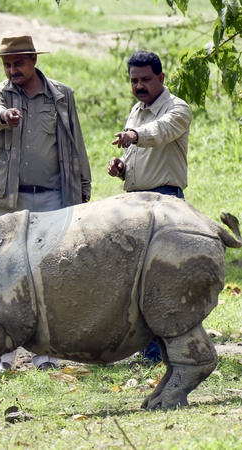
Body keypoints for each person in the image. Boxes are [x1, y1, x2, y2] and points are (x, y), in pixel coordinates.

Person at [0, 34, 92, 373]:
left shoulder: (61, 95)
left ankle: (46, 353)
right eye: (7, 65)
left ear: (33, 60)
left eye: (18, 63)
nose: (12, 70)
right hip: (10, 198)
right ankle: (5, 355)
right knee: (7, 274)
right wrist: (5, 116)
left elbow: (75, 142)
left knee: (49, 274)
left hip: (52, 195)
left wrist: (83, 186)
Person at [108, 50, 192, 363]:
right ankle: (148, 349)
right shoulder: (136, 110)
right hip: (136, 203)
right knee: (137, 279)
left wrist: (134, 134)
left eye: (145, 79)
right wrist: (121, 167)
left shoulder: (178, 108)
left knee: (163, 279)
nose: (139, 86)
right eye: (134, 80)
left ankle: (168, 349)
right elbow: (138, 152)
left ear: (161, 78)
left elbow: (160, 132)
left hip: (165, 202)